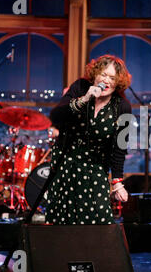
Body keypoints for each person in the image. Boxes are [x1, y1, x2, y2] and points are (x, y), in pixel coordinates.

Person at [45, 54, 132, 225]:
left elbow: (119, 148)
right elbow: (56, 117)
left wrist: (117, 182)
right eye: (103, 75)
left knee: (99, 223)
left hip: (95, 169)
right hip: (65, 166)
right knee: (62, 224)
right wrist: (84, 99)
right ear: (95, 75)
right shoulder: (80, 87)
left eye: (112, 77)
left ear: (118, 82)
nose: (106, 81)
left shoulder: (122, 107)